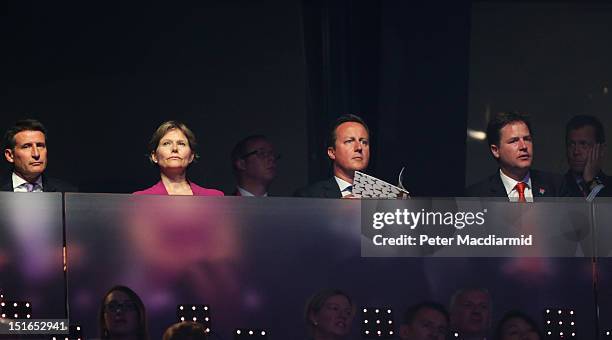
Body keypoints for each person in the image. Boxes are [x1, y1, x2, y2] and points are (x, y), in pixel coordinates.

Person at [465, 112, 564, 201]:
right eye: (514, 141)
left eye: (527, 139)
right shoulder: (476, 196)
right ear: (495, 150)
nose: (524, 146)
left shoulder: (557, 186)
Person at [134, 121, 223, 196]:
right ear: (154, 156)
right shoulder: (140, 199)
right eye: (166, 143)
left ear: (191, 156)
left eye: (181, 143)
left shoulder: (214, 197)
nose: (175, 149)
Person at [295, 114, 370, 198]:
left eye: (364, 142)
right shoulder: (310, 196)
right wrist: (336, 209)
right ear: (332, 152)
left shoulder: (384, 195)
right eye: (349, 141)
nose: (359, 147)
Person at [1, 119, 77, 192]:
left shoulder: (66, 192)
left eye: (40, 146)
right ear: (10, 155)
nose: (36, 154)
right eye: (27, 146)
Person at [564, 115, 610, 199]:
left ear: (601, 149)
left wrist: (591, 181)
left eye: (583, 144)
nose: (576, 152)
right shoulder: (557, 187)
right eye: (571, 144)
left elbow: (605, 210)